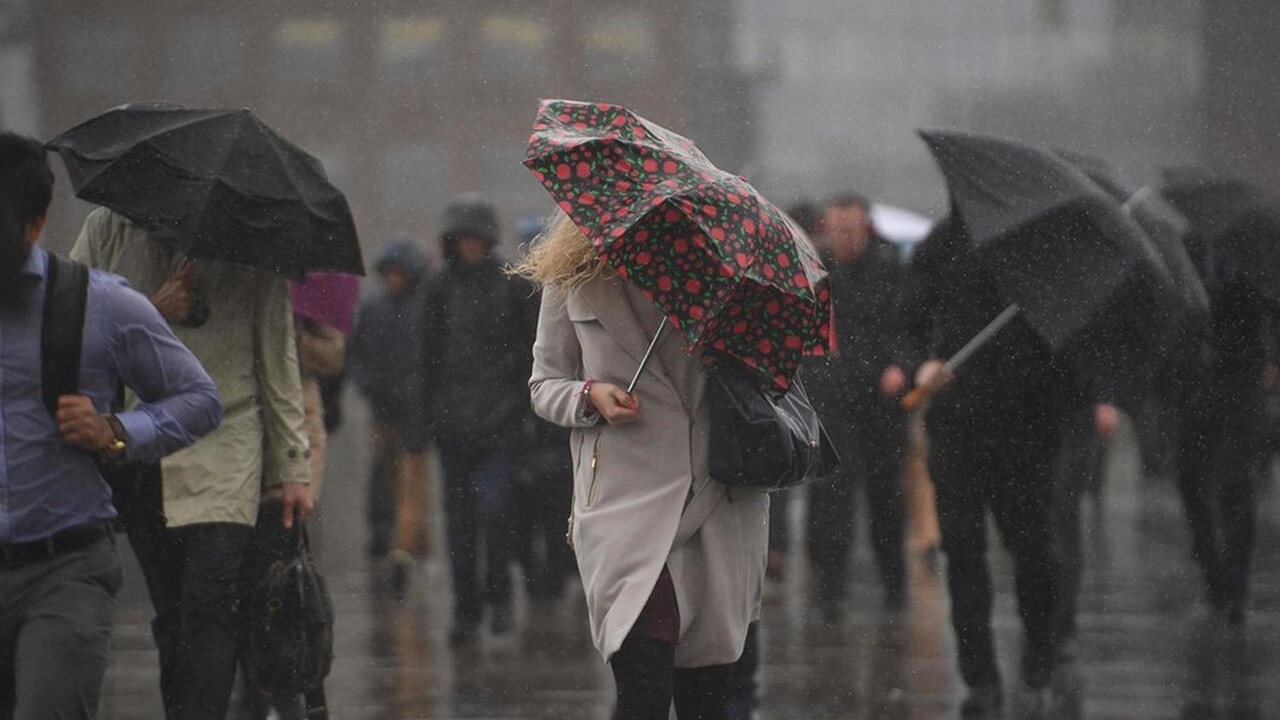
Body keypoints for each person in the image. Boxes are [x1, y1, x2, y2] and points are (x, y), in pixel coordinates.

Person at [0, 132, 221, 720]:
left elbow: (199, 399)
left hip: (63, 571)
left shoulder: (98, 304)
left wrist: (115, 431)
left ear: (34, 222)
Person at [521, 213, 770, 720]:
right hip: (622, 503)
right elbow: (544, 384)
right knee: (643, 685)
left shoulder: (718, 266)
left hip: (712, 497)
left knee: (707, 694)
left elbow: (762, 375)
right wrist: (590, 395)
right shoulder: (570, 272)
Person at [72, 207, 314, 720]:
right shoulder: (107, 229)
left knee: (210, 601)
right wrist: (148, 310)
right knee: (172, 611)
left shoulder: (253, 238)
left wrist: (292, 466)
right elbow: (69, 329)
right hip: (140, 445)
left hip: (227, 443)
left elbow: (277, 356)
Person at [903, 216, 1066, 715]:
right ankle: (980, 677)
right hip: (957, 429)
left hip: (1025, 433)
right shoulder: (942, 243)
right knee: (964, 555)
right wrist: (923, 363)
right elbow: (908, 319)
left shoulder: (1043, 250)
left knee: (1033, 551)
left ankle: (1040, 650)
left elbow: (1065, 347)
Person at [422, 194, 536, 642]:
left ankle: (500, 598)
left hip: (500, 425)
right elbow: (426, 358)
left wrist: (518, 409)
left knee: (495, 515)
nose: (469, 246)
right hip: (453, 427)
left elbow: (529, 354)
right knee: (459, 525)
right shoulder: (438, 289)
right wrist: (428, 418)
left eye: (475, 238)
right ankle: (466, 610)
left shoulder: (512, 285)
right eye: (462, 238)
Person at [804, 192, 913, 615]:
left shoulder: (890, 270)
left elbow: (909, 326)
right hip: (833, 399)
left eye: (851, 229)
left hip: (882, 400)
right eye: (837, 229)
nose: (844, 237)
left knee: (886, 501)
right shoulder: (816, 271)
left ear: (865, 228)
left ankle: (894, 587)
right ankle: (831, 591)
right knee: (831, 499)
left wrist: (900, 365)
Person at [1167, 227, 1274, 624]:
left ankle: (1236, 591)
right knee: (1190, 480)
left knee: (1236, 482)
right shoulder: (1187, 245)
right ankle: (1214, 577)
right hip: (1196, 382)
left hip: (1241, 382)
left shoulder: (1258, 256)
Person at [349, 236, 431, 589]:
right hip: (384, 408)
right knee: (384, 472)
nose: (395, 279)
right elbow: (357, 353)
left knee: (411, 477)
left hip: (416, 409)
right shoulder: (373, 307)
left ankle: (406, 543)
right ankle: (387, 536)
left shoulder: (425, 306)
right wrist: (370, 386)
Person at [511, 216, 575, 603]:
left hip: (552, 421)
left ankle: (555, 572)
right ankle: (543, 574)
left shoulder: (566, 290)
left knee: (553, 503)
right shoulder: (510, 298)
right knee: (533, 505)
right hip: (526, 417)